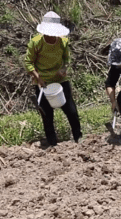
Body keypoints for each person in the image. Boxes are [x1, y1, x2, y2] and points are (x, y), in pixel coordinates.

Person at [24, 11, 81, 147]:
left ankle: (79, 138)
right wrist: (38, 78)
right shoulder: (36, 42)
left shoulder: (63, 41)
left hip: (60, 80)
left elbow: (66, 58)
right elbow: (28, 63)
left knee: (71, 111)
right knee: (47, 115)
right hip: (42, 82)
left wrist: (63, 69)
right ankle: (52, 144)